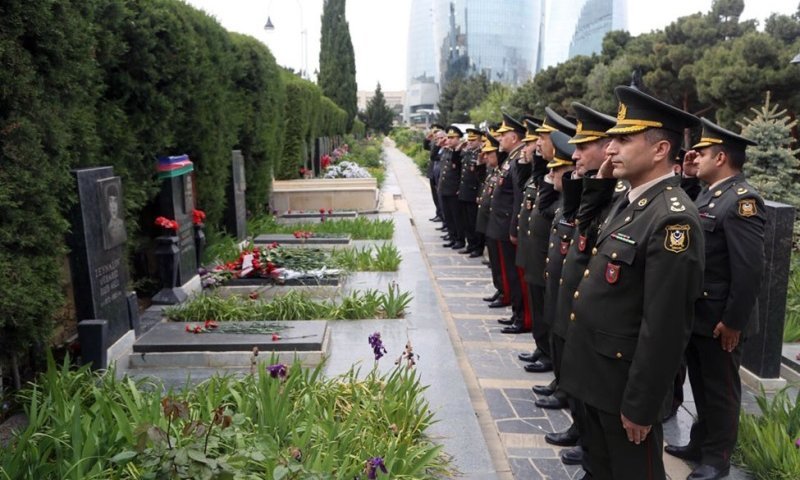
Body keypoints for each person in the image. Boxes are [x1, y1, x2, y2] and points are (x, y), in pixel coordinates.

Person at [560, 85, 705, 480]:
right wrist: (600, 183)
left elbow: (666, 326)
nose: (609, 149)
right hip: (594, 376)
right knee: (598, 470)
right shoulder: (629, 200)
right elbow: (584, 235)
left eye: (623, 140)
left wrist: (640, 405)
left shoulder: (672, 219)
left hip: (622, 388)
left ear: (660, 150)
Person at [665, 118, 765, 480]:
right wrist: (690, 176)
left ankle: (717, 458)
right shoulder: (710, 192)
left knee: (720, 391)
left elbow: (749, 270)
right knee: (701, 385)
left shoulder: (742, 202)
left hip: (722, 318)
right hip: (701, 313)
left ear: (721, 157)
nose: (693, 156)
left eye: (702, 153)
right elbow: (685, 209)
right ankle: (699, 444)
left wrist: (734, 322)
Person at [487, 113, 529, 333]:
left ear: (514, 137)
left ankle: (523, 318)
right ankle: (516, 313)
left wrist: (514, 227)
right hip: (502, 225)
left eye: (503, 135)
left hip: (508, 226)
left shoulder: (517, 160)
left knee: (516, 276)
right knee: (510, 275)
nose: (499, 139)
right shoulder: (511, 159)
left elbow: (518, 198)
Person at [457, 128, 487, 255]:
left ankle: (478, 247)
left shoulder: (481, 154)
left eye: (473, 140)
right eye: (469, 140)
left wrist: (480, 194)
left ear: (480, 141)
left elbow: (482, 178)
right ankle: (470, 244)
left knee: (474, 221)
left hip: (474, 193)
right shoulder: (467, 153)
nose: (469, 142)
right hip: (465, 192)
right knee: (466, 221)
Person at [424, 123, 445, 222]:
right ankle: (438, 213)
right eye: (435, 136)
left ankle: (441, 215)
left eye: (438, 135)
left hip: (440, 174)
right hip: (432, 172)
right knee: (435, 196)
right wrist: (427, 138)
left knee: (439, 197)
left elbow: (434, 156)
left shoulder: (444, 147)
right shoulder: (434, 144)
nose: (436, 137)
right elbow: (426, 147)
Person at [104, 182, 127, 249]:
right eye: (110, 201)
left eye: (115, 201)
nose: (113, 206)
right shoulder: (107, 225)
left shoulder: (121, 223)